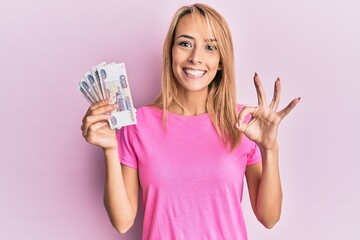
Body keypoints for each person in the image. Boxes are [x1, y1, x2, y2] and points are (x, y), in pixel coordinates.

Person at [81, 3, 300, 239]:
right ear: (171, 52)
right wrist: (111, 150)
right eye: (185, 44)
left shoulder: (243, 122)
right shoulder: (138, 125)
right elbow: (123, 222)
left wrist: (270, 149)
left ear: (221, 62)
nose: (195, 57)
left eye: (209, 47)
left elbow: (269, 217)